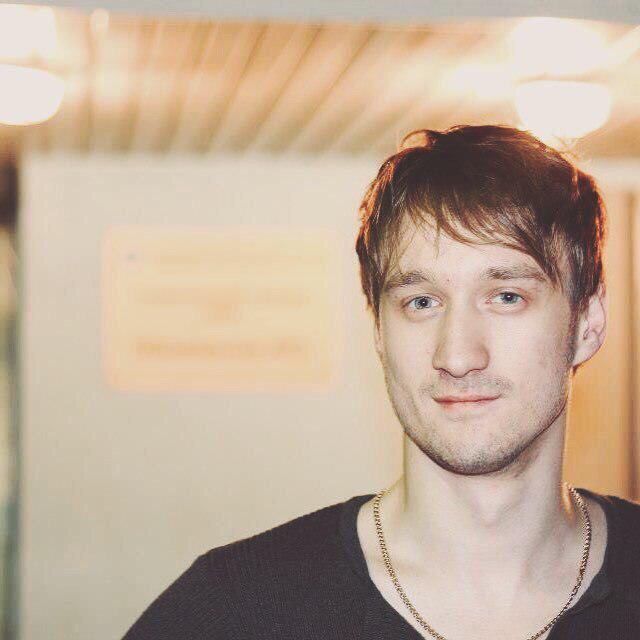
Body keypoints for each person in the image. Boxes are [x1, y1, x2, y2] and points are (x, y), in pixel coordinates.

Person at [122, 125, 640, 640]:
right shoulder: (230, 610)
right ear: (378, 331)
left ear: (588, 322)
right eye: (422, 302)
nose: (457, 356)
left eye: (506, 297)